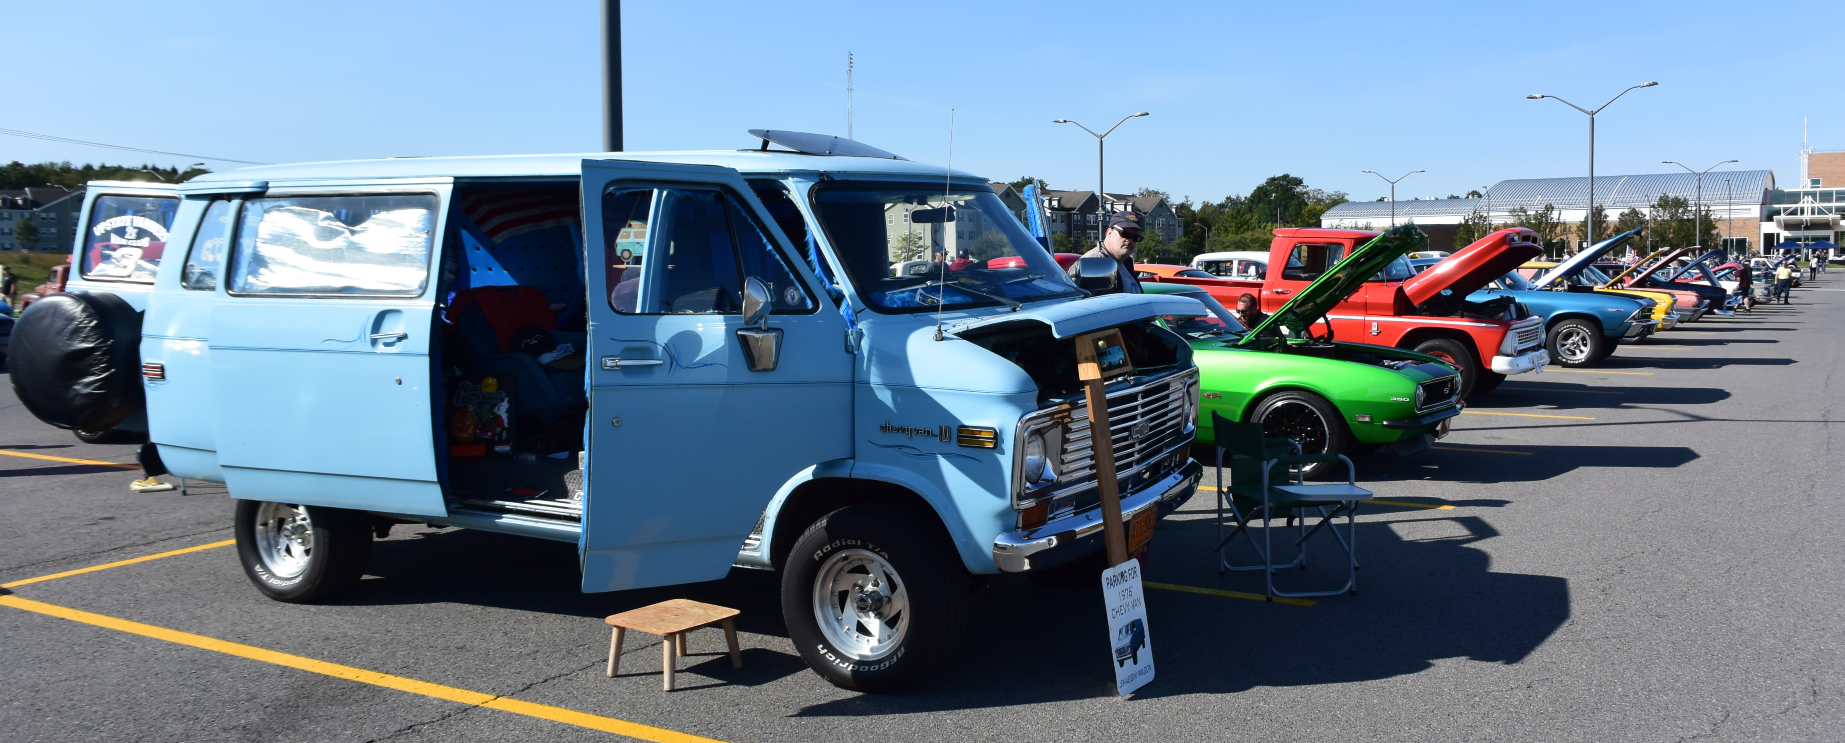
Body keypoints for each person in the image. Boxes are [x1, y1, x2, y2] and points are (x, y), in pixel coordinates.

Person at [1068, 211, 1143, 294]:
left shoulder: (1126, 262)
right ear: (1109, 233)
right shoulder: (1095, 262)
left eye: (1135, 237)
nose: (1129, 240)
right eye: (1125, 234)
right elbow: (1085, 302)